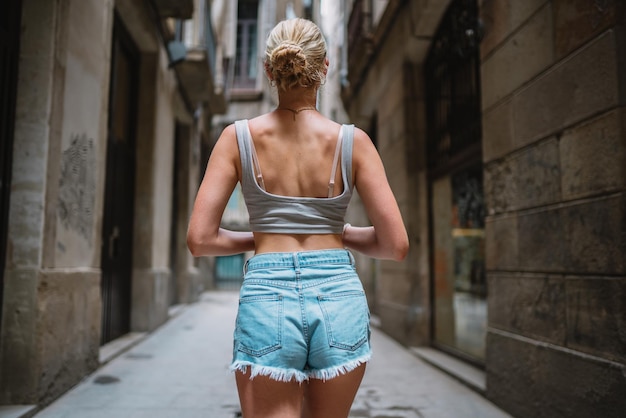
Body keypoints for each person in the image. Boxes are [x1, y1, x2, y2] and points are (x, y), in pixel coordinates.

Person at [187, 17, 408, 418]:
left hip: (267, 293)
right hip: (339, 293)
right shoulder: (352, 142)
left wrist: (262, 237)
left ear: (269, 70)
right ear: (325, 68)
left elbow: (200, 240)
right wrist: (339, 232)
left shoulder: (236, 139)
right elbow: (395, 245)